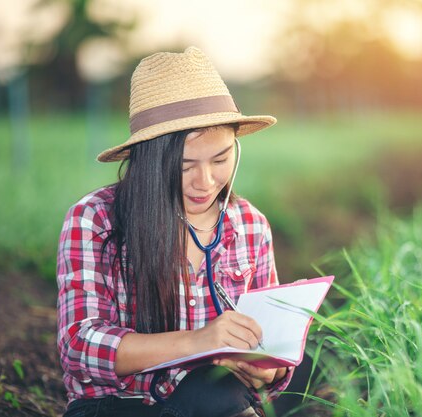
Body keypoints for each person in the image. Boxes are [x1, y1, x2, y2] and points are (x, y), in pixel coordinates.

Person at [56, 47, 294, 417]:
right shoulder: (95, 219)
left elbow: (271, 346)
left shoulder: (250, 225)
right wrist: (197, 343)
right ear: (149, 160)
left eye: (221, 159)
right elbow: (80, 347)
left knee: (222, 395)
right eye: (184, 166)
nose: (206, 181)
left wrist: (267, 366)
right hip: (117, 407)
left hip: (212, 401)